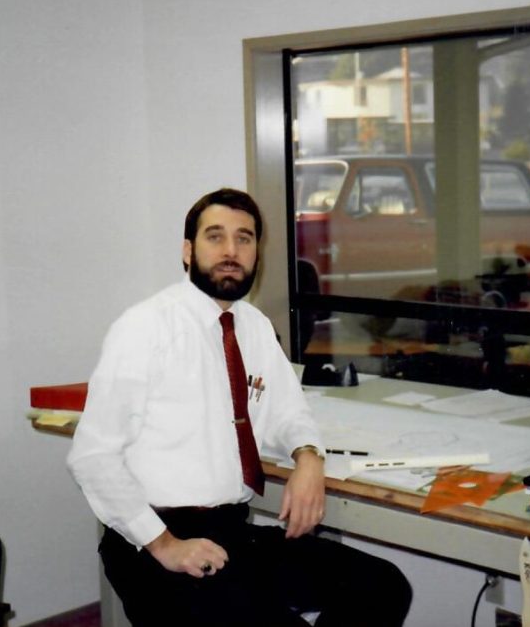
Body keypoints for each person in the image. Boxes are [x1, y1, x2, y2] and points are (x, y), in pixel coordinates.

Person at [67, 188, 412, 626]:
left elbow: (289, 412)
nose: (231, 251)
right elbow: (92, 457)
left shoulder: (253, 326)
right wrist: (164, 544)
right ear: (188, 251)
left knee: (381, 585)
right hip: (154, 545)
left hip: (232, 534)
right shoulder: (144, 328)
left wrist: (308, 458)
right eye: (216, 237)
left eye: (244, 239)